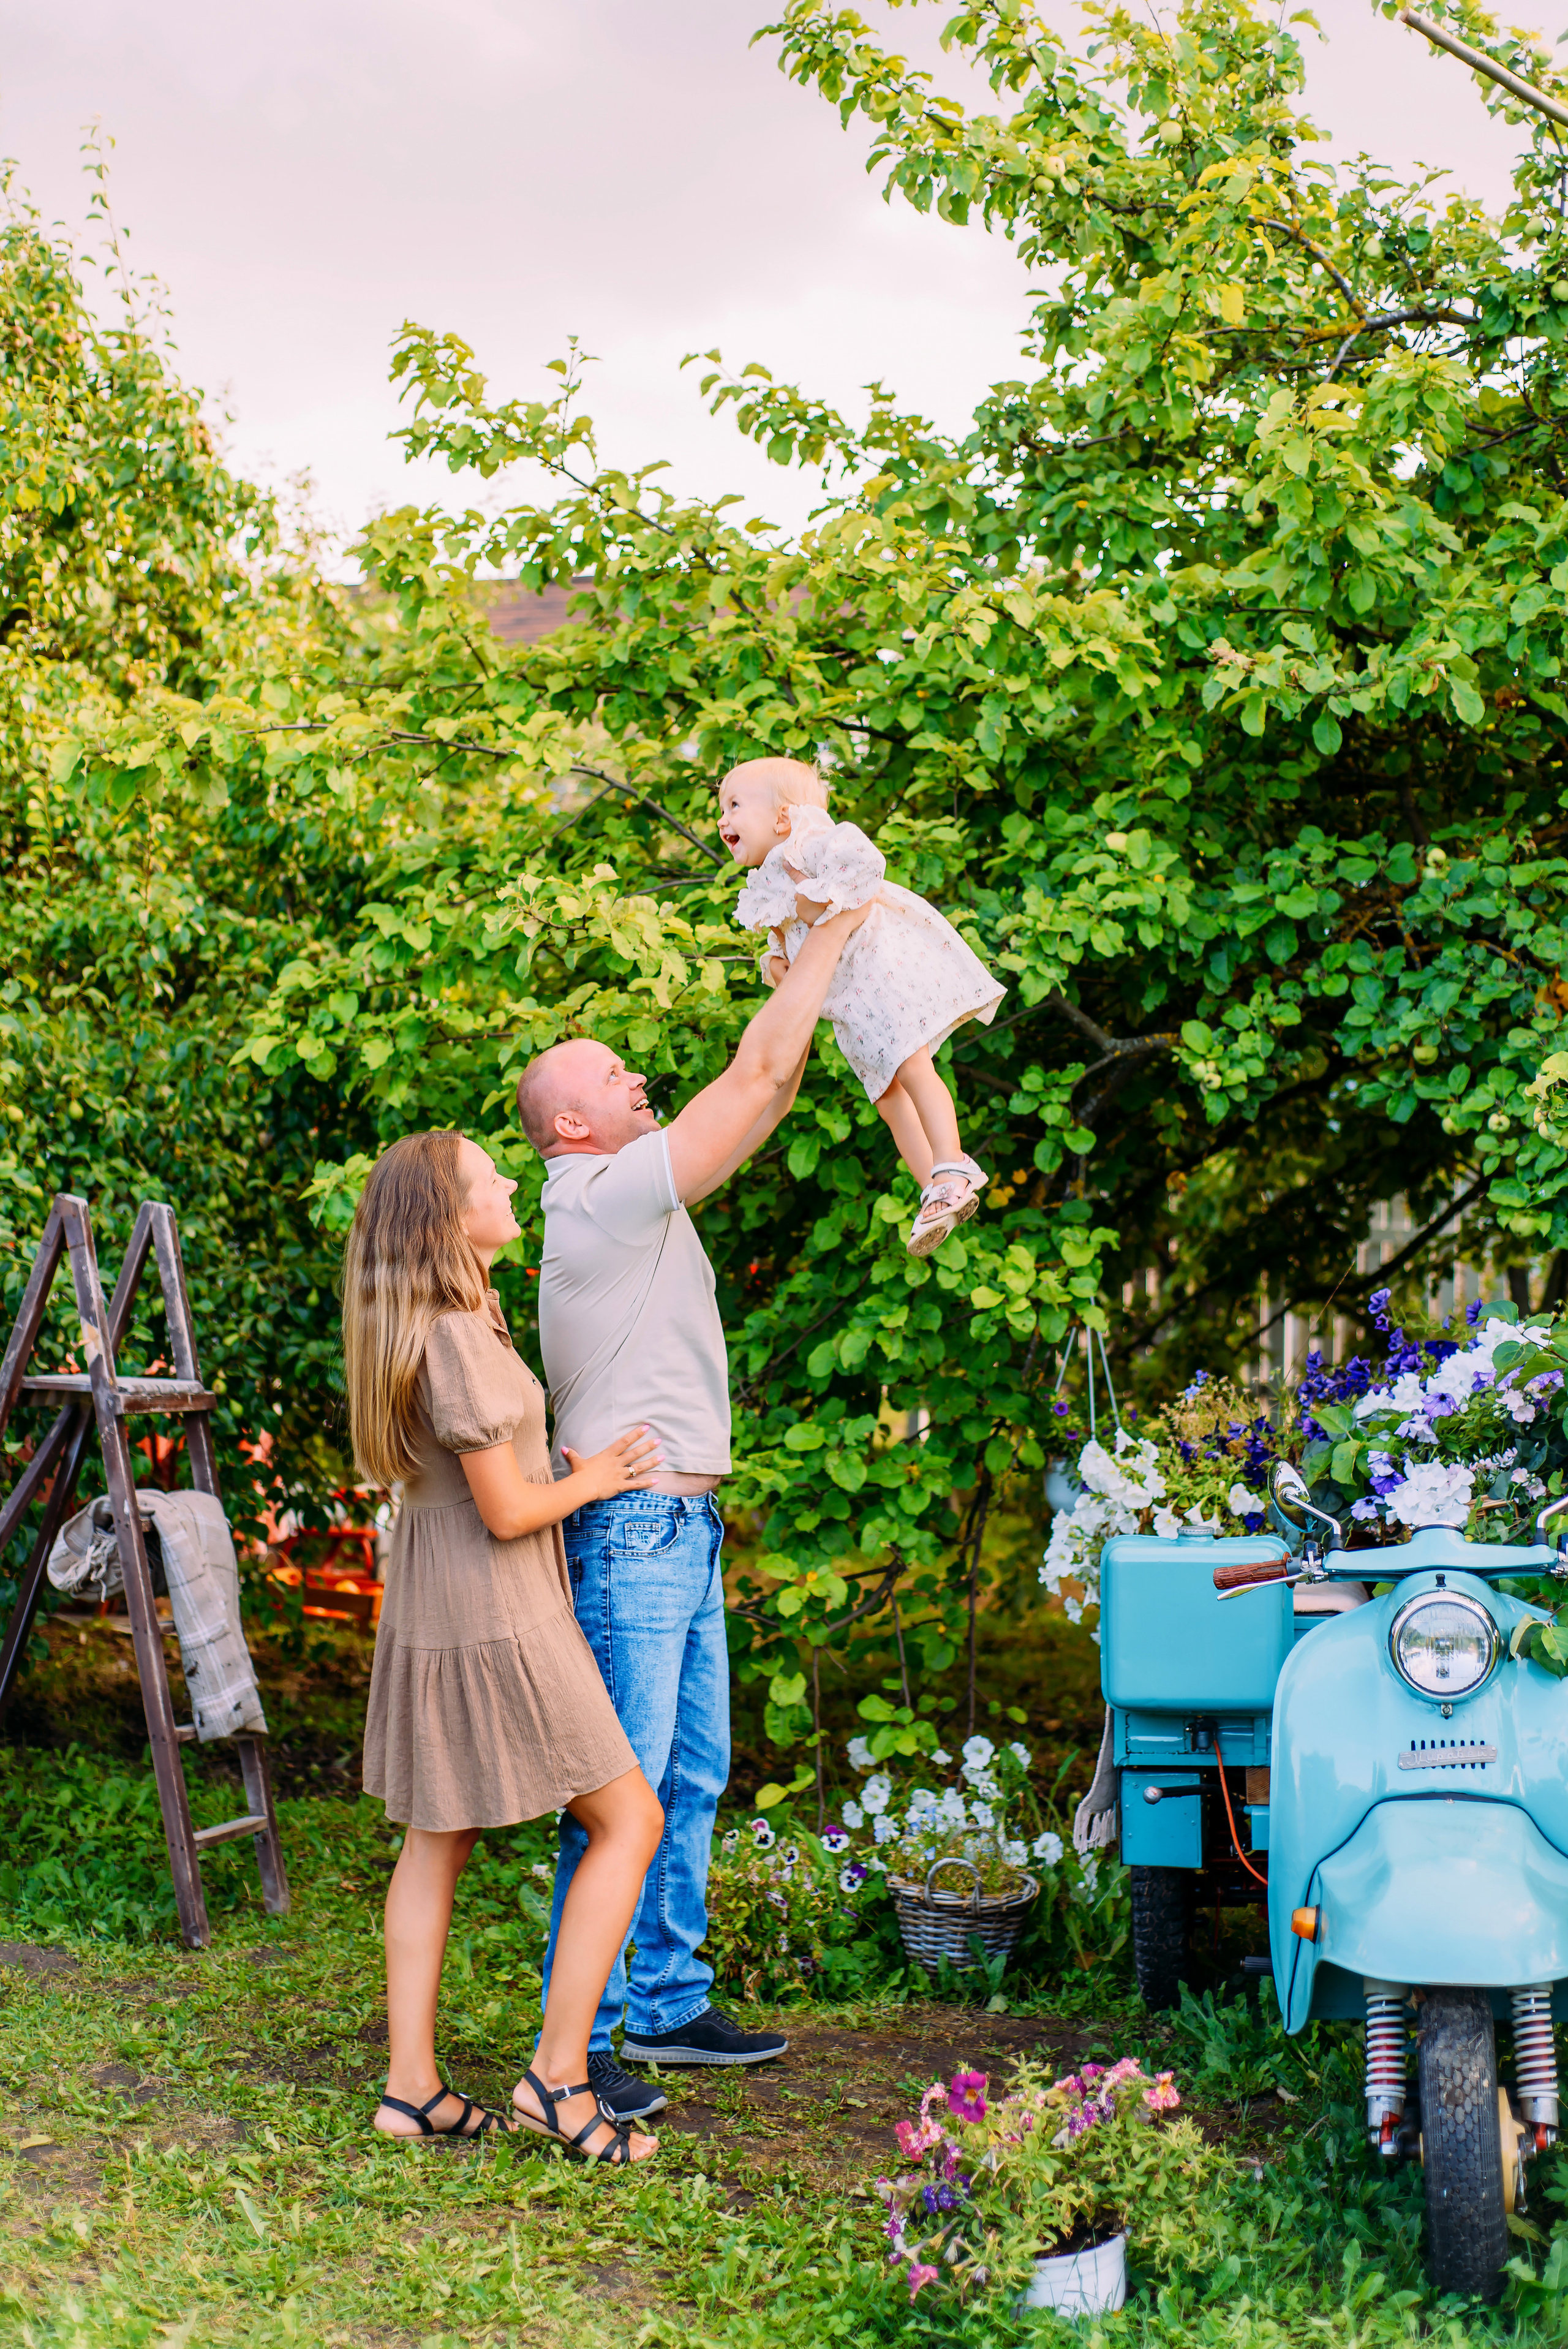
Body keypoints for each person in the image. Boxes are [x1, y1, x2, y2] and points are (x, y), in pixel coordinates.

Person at [514, 896, 872, 2122]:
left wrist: (797, 973)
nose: (638, 1079)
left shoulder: (629, 1195)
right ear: (573, 1122)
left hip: (675, 1531)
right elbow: (757, 1072)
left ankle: (665, 2004)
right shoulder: (601, 1194)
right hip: (635, 1535)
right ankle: (580, 2040)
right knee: (620, 1785)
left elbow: (760, 1092)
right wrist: (828, 932)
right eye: (616, 1075)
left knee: (691, 1772)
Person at [344, 1127, 668, 2164]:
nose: (512, 1181)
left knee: (438, 1835)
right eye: (492, 1177)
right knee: (630, 1816)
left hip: (445, 1602)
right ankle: (558, 2078)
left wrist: (544, 1461)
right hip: (496, 1609)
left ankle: (413, 2091)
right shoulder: (452, 1333)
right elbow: (506, 1509)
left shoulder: (449, 1320)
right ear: (449, 1217)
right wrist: (597, 1475)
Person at [719, 755, 1004, 1255]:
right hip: (850, 1004)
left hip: (880, 979)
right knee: (889, 1099)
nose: (722, 819)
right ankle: (936, 1194)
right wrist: (777, 961)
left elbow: (866, 867)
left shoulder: (812, 844)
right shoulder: (767, 880)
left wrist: (818, 895)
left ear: (782, 818)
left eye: (734, 805)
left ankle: (952, 1163)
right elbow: (785, 934)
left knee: (915, 1069)